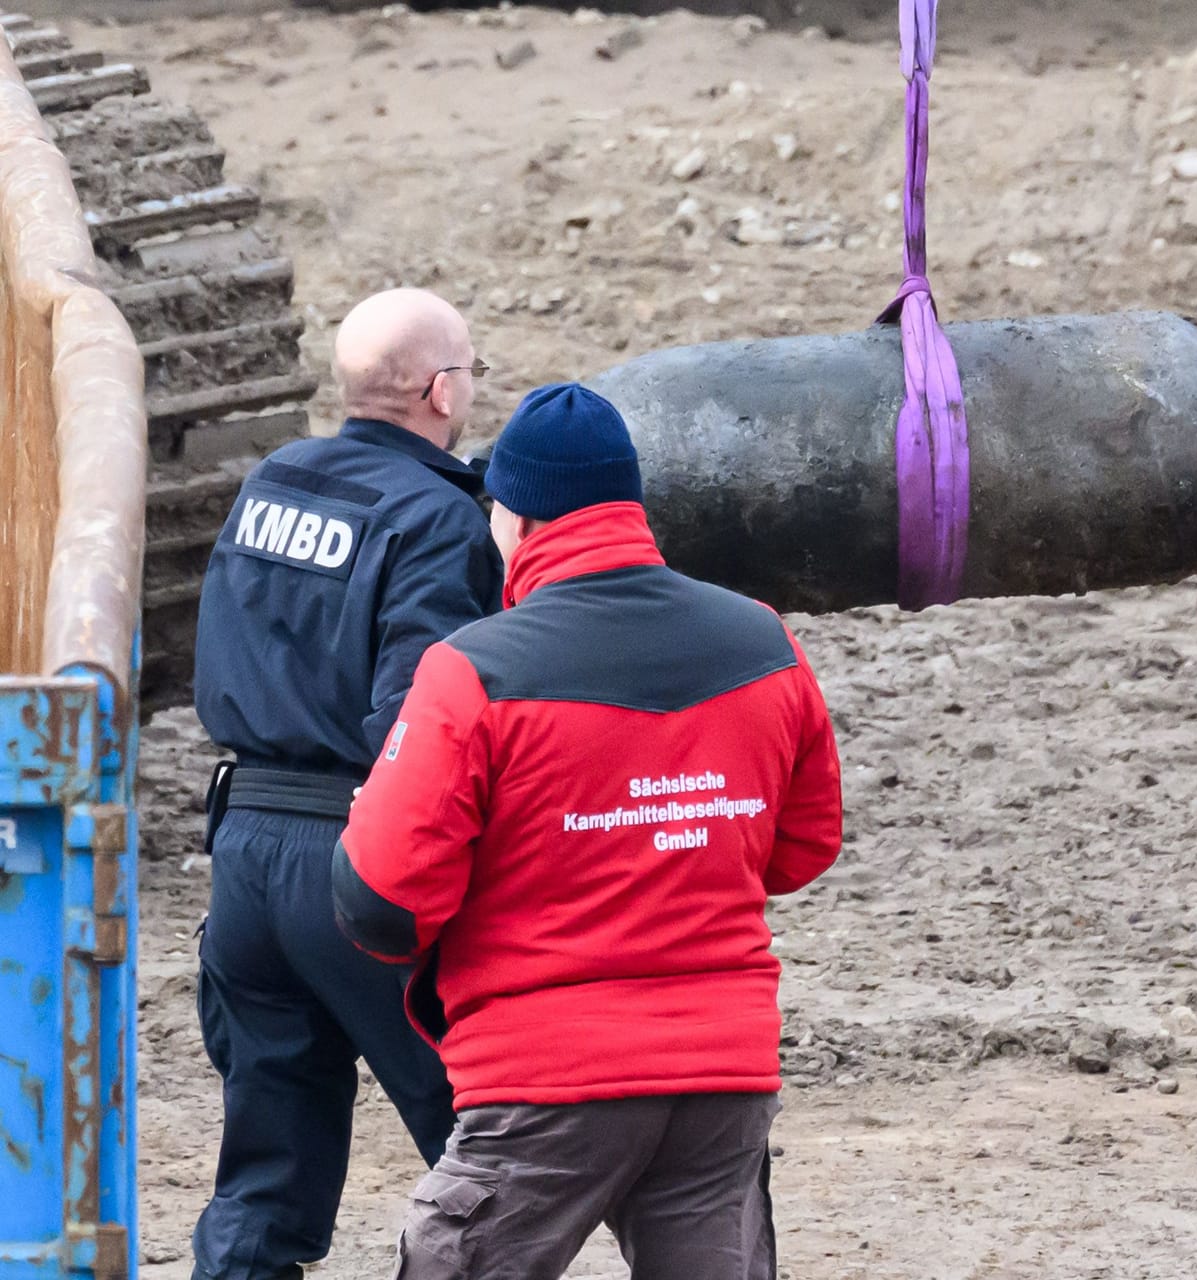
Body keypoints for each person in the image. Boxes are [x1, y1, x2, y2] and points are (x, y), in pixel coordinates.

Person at [331, 381, 844, 1280]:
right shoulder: (765, 641)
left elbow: (381, 902)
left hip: (543, 1083)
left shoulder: (472, 671)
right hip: (723, 1074)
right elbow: (802, 848)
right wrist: (670, 842)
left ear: (518, 521)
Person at [190, 288, 504, 1280]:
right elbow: (424, 717)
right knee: (487, 1157)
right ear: (442, 389)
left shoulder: (272, 480)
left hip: (243, 858)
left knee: (265, 1182)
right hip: (360, 862)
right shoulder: (437, 520)